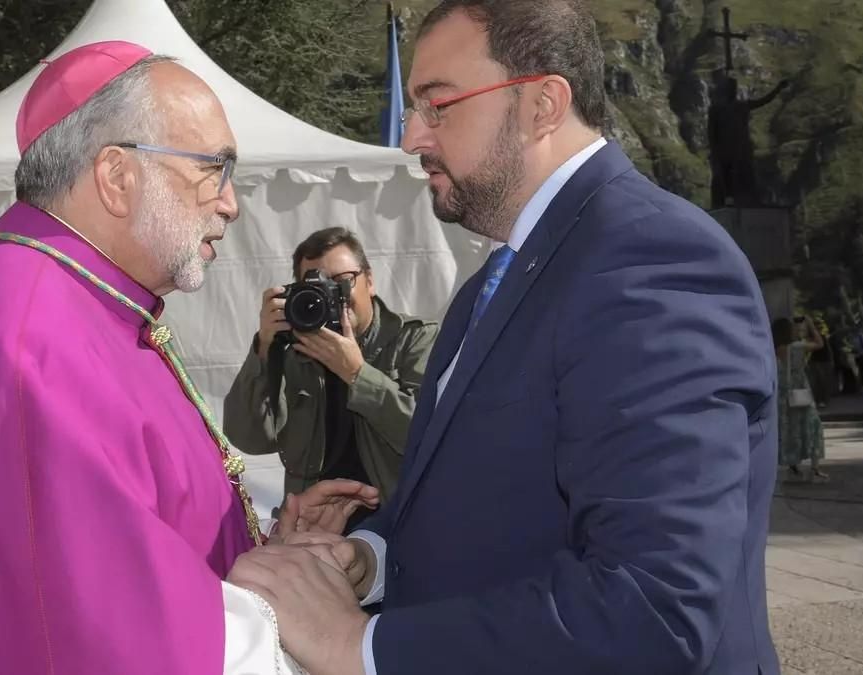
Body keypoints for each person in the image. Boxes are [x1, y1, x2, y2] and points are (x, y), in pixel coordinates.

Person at [0, 41, 374, 675]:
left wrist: (271, 554)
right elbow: (107, 629)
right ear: (117, 177)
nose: (230, 202)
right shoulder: (32, 340)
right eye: (213, 168)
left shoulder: (54, 300)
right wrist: (293, 618)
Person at [226, 2, 780, 673]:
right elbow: (494, 509)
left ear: (542, 104)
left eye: (438, 105)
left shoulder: (652, 263)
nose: (411, 139)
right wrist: (368, 559)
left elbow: (652, 607)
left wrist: (359, 644)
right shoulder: (494, 281)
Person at [223, 227, 439, 526]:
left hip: (399, 525)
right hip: (316, 529)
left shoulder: (413, 340)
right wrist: (263, 350)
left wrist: (357, 374)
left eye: (341, 282)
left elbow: (428, 434)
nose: (333, 296)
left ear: (370, 280)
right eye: (317, 286)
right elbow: (248, 438)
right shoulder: (293, 352)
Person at [774, 317, 828, 482]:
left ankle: (793, 465)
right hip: (800, 390)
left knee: (790, 428)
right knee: (812, 424)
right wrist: (810, 325)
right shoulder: (797, 347)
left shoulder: (774, 348)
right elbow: (820, 344)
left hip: (783, 392)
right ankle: (815, 467)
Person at [808, 319, 835, 408]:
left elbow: (826, 350)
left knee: (822, 381)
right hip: (817, 361)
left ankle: (823, 400)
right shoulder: (814, 338)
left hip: (823, 362)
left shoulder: (822, 337)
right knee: (817, 382)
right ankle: (819, 399)